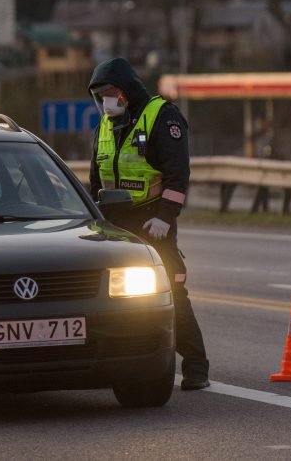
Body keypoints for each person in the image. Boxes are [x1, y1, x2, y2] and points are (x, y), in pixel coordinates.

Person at [87, 57, 210, 391]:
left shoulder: (161, 117)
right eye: (99, 96)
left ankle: (196, 366)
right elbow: (94, 182)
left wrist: (165, 217)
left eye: (110, 93)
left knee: (171, 291)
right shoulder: (105, 127)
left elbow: (177, 175)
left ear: (126, 91)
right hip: (114, 228)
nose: (105, 102)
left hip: (152, 222)